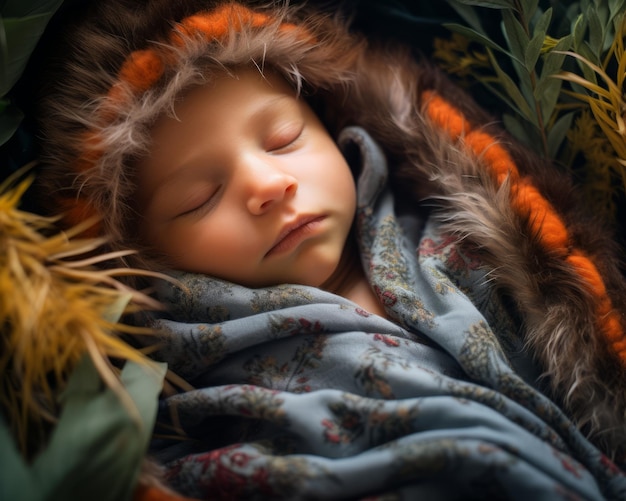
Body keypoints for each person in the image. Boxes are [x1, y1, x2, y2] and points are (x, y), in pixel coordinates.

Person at [36, 0, 626, 498]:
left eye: (283, 139)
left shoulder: (456, 235)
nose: (268, 186)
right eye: (199, 197)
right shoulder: (180, 383)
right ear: (142, 259)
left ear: (329, 123)